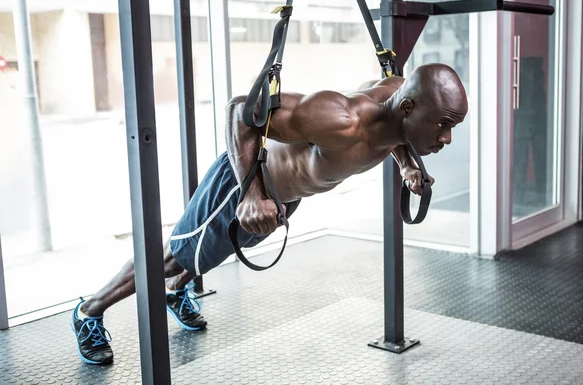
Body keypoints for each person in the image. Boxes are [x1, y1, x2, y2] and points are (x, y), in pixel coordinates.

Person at [70, 63, 468, 365]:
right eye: (444, 125)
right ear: (410, 107)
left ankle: (177, 293)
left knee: (210, 253)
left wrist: (406, 165)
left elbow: (395, 132)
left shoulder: (398, 101)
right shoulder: (341, 120)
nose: (446, 137)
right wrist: (250, 192)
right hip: (243, 185)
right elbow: (240, 110)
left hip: (281, 197)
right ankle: (89, 310)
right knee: (173, 257)